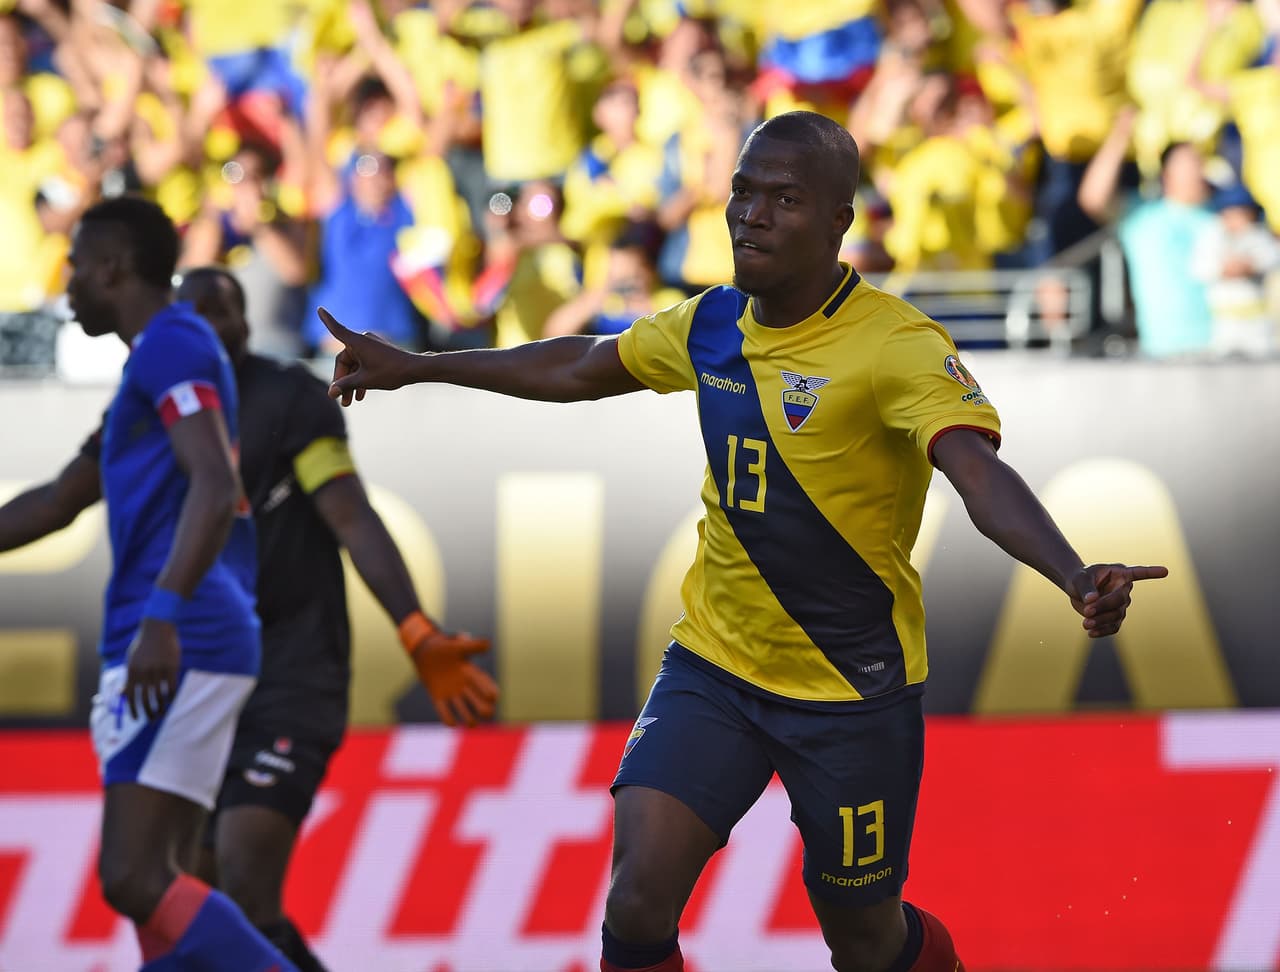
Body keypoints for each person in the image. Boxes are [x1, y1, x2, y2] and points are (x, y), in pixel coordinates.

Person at [315, 110, 1168, 972]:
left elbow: (977, 474)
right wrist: (420, 364)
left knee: (866, 937)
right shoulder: (713, 322)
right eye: (743, 192)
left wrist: (1070, 571)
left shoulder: (898, 345)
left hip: (850, 691)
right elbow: (581, 365)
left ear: (840, 221)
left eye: (784, 197)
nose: (750, 214)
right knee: (638, 899)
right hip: (714, 668)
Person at [0, 263, 499, 971]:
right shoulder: (144, 403)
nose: (211, 322)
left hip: (291, 670)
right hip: (198, 672)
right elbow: (56, 500)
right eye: (196, 309)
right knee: (187, 892)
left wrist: (415, 627)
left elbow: (350, 515)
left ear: (244, 322)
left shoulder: (289, 398)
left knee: (242, 877)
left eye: (227, 308)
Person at [5, 194, 296, 970]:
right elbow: (61, 500)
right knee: (160, 903)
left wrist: (162, 618)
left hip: (182, 632)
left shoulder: (173, 345)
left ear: (113, 267)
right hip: (180, 632)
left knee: (133, 878)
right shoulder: (149, 370)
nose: (64, 285)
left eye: (74, 267)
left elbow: (211, 479)